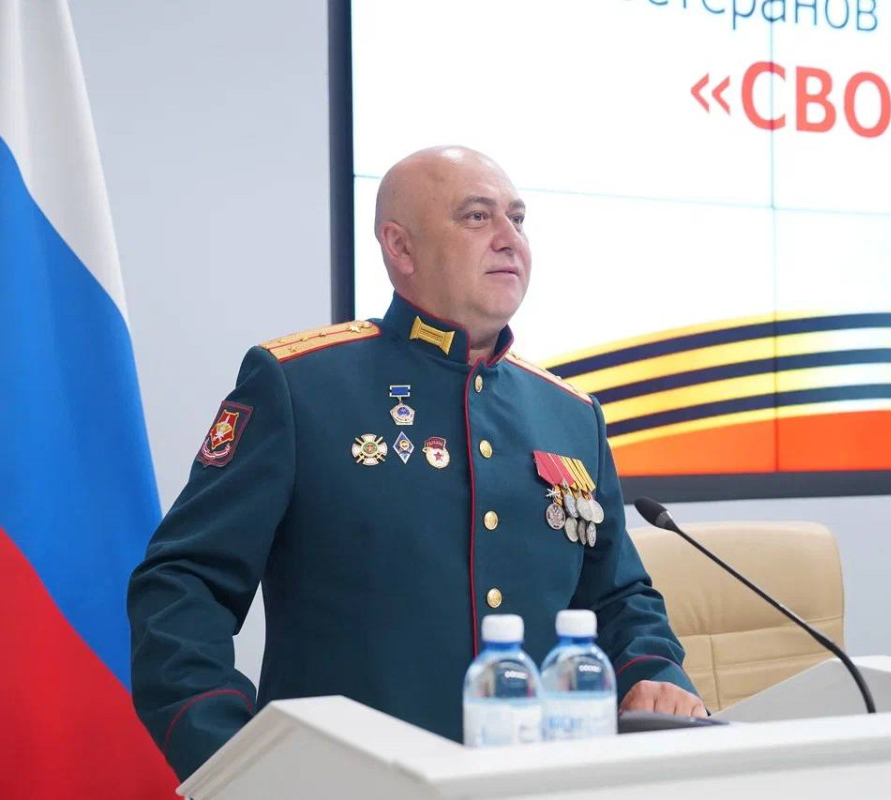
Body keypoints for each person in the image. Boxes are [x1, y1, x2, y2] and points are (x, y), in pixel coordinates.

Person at [128, 146, 705, 781]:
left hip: (540, 781)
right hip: (348, 783)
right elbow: (183, 583)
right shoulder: (300, 385)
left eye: (517, 218)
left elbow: (619, 595)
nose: (509, 238)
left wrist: (655, 672)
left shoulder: (569, 415)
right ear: (400, 247)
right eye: (477, 217)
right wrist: (231, 756)